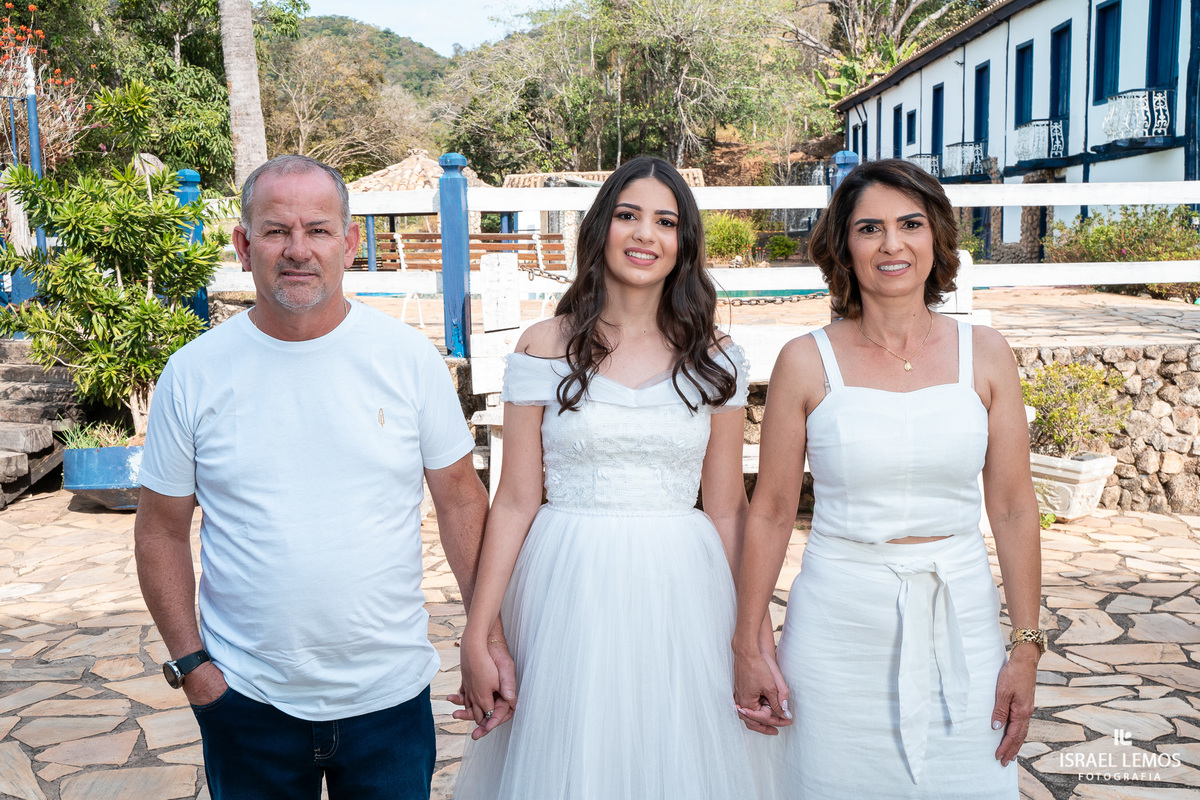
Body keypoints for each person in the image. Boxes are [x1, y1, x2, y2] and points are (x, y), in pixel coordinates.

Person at [134, 154, 514, 800]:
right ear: (244, 243)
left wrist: (488, 637)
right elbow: (160, 532)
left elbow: (461, 505)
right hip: (247, 704)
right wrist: (194, 669)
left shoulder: (408, 362)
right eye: (277, 231)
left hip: (388, 702)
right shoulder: (193, 375)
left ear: (350, 241)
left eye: (318, 229)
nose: (298, 249)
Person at [451, 155, 786, 800]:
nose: (644, 235)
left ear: (683, 243)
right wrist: (478, 628)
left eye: (665, 221)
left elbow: (727, 510)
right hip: (564, 584)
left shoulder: (716, 358)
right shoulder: (544, 345)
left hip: (684, 588)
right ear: (601, 227)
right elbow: (517, 499)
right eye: (628, 216)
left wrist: (754, 634)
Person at [732, 159, 1042, 799]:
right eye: (870, 228)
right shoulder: (804, 360)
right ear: (845, 244)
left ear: (937, 238)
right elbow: (769, 512)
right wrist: (748, 643)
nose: (892, 244)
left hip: (961, 622)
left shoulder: (986, 354)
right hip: (837, 628)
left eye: (911, 224)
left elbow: (1012, 506)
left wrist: (1026, 648)